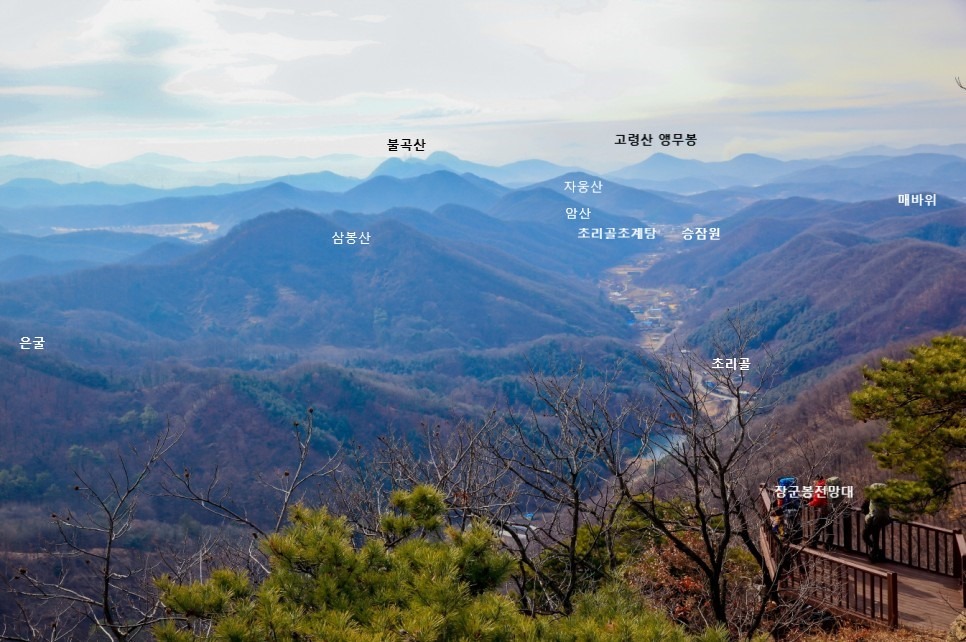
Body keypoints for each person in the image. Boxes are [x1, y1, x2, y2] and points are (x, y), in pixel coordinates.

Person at [861, 483, 891, 562]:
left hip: (872, 520)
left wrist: (868, 514)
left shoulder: (871, 497)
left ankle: (875, 553)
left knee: (865, 536)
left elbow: (863, 508)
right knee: (875, 537)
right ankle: (878, 553)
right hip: (883, 520)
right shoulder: (886, 498)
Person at [807, 476, 832, 550]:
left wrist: (809, 504)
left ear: (817, 480)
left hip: (824, 510)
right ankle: (828, 545)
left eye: (814, 481)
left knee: (818, 526)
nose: (813, 483)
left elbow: (818, 501)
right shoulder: (826, 484)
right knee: (829, 528)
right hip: (831, 508)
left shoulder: (820, 486)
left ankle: (813, 543)